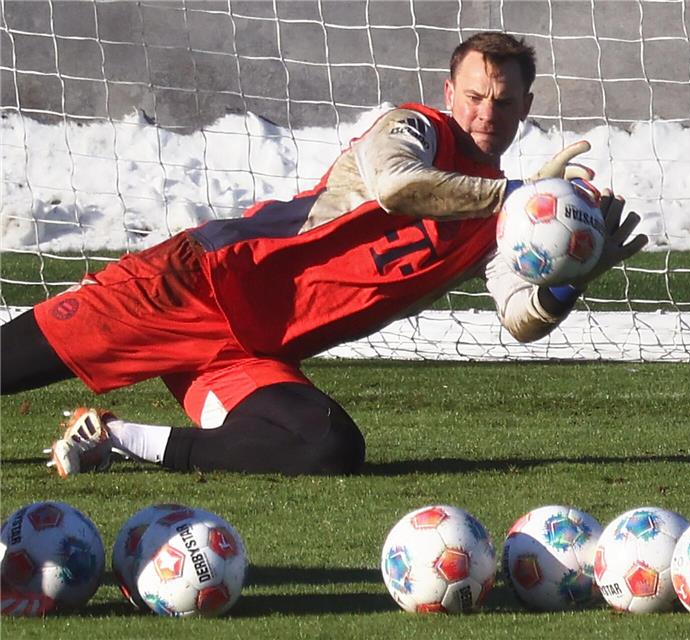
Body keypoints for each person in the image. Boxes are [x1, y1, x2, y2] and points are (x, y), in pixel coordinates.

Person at [0, 32, 645, 477]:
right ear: (449, 92)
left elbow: (519, 317)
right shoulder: (413, 126)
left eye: (504, 102)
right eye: (475, 95)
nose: (487, 112)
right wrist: (518, 192)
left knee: (326, 447)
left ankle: (114, 439)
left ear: (525, 108)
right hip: (194, 286)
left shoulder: (500, 223)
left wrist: (570, 273)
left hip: (250, 354)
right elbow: (398, 186)